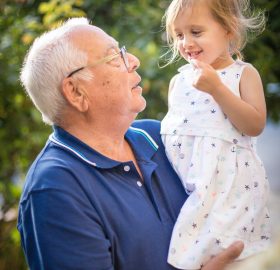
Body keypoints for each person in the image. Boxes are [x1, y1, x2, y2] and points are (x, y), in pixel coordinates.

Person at [17, 17, 244, 270]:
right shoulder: (55, 189)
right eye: (115, 57)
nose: (134, 61)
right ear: (76, 92)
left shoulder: (161, 136)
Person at [160, 0, 271, 269]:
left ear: (229, 29)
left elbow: (254, 125)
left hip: (231, 189)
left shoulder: (243, 74)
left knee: (232, 253)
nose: (186, 42)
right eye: (179, 35)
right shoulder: (179, 81)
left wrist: (217, 89)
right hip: (191, 188)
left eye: (196, 32)